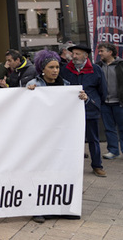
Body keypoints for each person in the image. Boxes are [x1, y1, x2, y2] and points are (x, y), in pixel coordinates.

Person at [26, 50, 87, 224]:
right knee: (41, 172)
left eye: (57, 67)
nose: (55, 70)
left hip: (61, 137)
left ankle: (63, 207)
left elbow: (76, 106)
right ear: (42, 69)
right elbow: (23, 107)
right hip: (41, 137)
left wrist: (83, 98)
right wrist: (27, 93)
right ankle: (38, 209)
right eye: (51, 67)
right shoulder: (33, 84)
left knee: (61, 171)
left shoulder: (67, 85)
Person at [61, 44, 108, 177]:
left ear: (85, 56)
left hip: (90, 110)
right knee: (70, 139)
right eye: (73, 54)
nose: (74, 56)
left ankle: (97, 166)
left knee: (93, 139)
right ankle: (71, 167)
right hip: (70, 112)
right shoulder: (65, 69)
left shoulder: (96, 69)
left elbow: (103, 91)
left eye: (77, 54)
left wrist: (95, 103)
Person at [96, 42, 123, 160]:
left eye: (102, 51)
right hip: (105, 103)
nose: (100, 53)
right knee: (108, 128)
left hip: (120, 102)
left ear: (110, 52)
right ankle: (113, 151)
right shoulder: (98, 66)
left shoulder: (121, 65)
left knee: (122, 128)